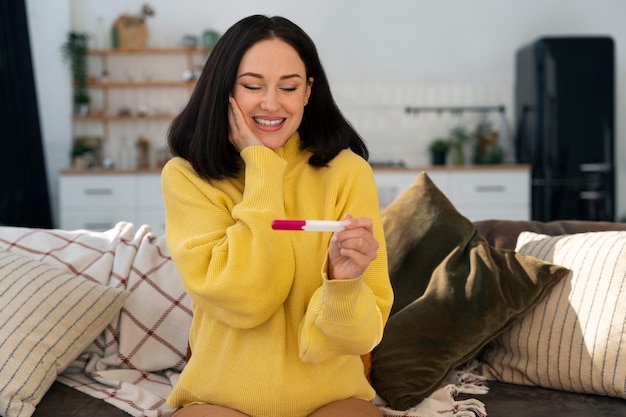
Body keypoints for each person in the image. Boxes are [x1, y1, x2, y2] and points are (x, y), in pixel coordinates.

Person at [161, 14, 394, 417]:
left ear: (308, 92)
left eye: (288, 87)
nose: (271, 103)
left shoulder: (348, 173)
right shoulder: (187, 177)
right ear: (225, 90)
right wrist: (262, 166)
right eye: (252, 86)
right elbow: (246, 300)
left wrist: (344, 283)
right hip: (220, 400)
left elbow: (362, 338)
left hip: (332, 398)